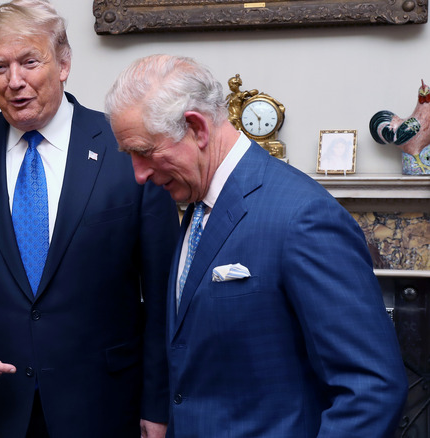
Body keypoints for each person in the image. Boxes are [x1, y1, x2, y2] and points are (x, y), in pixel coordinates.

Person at [0, 1, 179, 437]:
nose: (15, 82)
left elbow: (165, 292)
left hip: (104, 405)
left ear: (64, 63)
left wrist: (157, 405)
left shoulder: (127, 149)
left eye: (30, 62)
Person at [105, 54, 408, 437]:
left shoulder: (302, 217)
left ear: (196, 128)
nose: (138, 174)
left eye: (144, 151)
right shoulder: (197, 207)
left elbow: (372, 388)